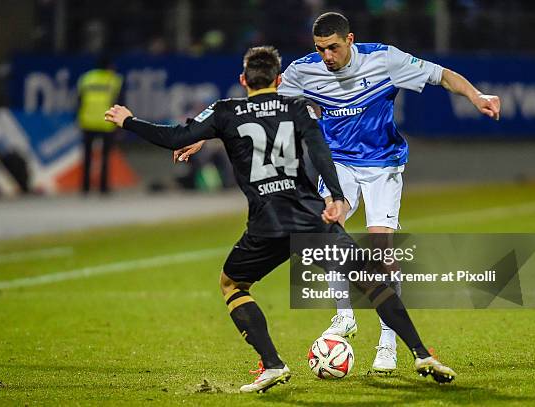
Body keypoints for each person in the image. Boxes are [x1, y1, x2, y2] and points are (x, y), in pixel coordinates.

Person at [105, 46, 456, 393]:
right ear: (279, 79)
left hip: (266, 224)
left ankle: (272, 363)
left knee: (233, 285)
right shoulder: (298, 107)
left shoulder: (226, 111)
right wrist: (335, 195)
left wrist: (129, 121)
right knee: (372, 280)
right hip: (309, 217)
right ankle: (421, 354)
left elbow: (175, 138)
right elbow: (320, 150)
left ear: (243, 79)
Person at [179, 12, 502, 373]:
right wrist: (197, 134)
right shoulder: (304, 71)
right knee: (329, 231)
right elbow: (249, 105)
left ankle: (387, 341)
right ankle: (344, 317)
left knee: (381, 250)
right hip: (339, 165)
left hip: (383, 165)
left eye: (333, 48)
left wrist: (476, 96)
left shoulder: (385, 60)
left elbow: (442, 75)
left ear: (350, 40)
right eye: (320, 49)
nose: (327, 57)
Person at [77, 56, 123, 195]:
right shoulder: (114, 80)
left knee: (86, 156)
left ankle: (85, 187)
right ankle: (103, 187)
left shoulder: (86, 78)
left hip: (87, 121)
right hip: (106, 122)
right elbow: (118, 102)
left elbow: (79, 100)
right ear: (109, 66)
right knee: (105, 156)